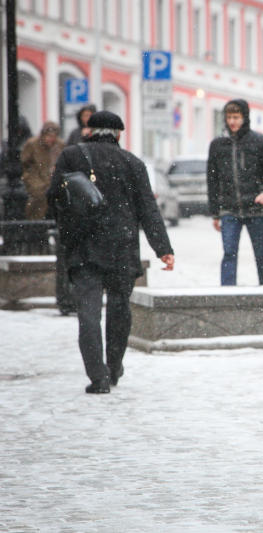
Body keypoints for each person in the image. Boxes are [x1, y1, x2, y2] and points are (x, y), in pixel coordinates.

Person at [47, 111, 175, 394]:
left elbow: (53, 196)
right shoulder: (133, 163)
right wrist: (163, 249)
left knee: (89, 314)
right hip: (122, 246)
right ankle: (114, 367)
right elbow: (148, 210)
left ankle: (98, 377)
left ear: (89, 131)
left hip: (83, 246)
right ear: (119, 134)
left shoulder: (71, 156)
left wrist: (67, 229)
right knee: (119, 309)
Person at [207, 100, 263, 286]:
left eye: (236, 117)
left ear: (244, 118)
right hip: (229, 209)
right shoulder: (218, 145)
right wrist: (215, 212)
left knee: (260, 251)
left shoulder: (259, 142)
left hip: (256, 207)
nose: (232, 121)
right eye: (229, 117)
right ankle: (227, 292)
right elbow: (212, 181)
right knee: (229, 252)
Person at [21, 121, 64, 219]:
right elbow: (25, 163)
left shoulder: (60, 145)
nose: (51, 140)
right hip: (36, 179)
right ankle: (36, 222)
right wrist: (31, 178)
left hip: (53, 179)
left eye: (53, 137)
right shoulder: (32, 144)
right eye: (48, 136)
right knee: (38, 199)